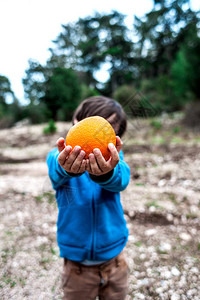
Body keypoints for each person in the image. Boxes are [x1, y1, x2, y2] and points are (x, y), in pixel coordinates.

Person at [47, 96, 131, 300]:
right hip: (77, 267)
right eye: (90, 121)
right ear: (75, 123)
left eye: (109, 128)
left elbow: (121, 179)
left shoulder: (115, 164)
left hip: (115, 261)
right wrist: (69, 168)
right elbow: (56, 170)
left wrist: (104, 173)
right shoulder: (57, 157)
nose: (98, 132)